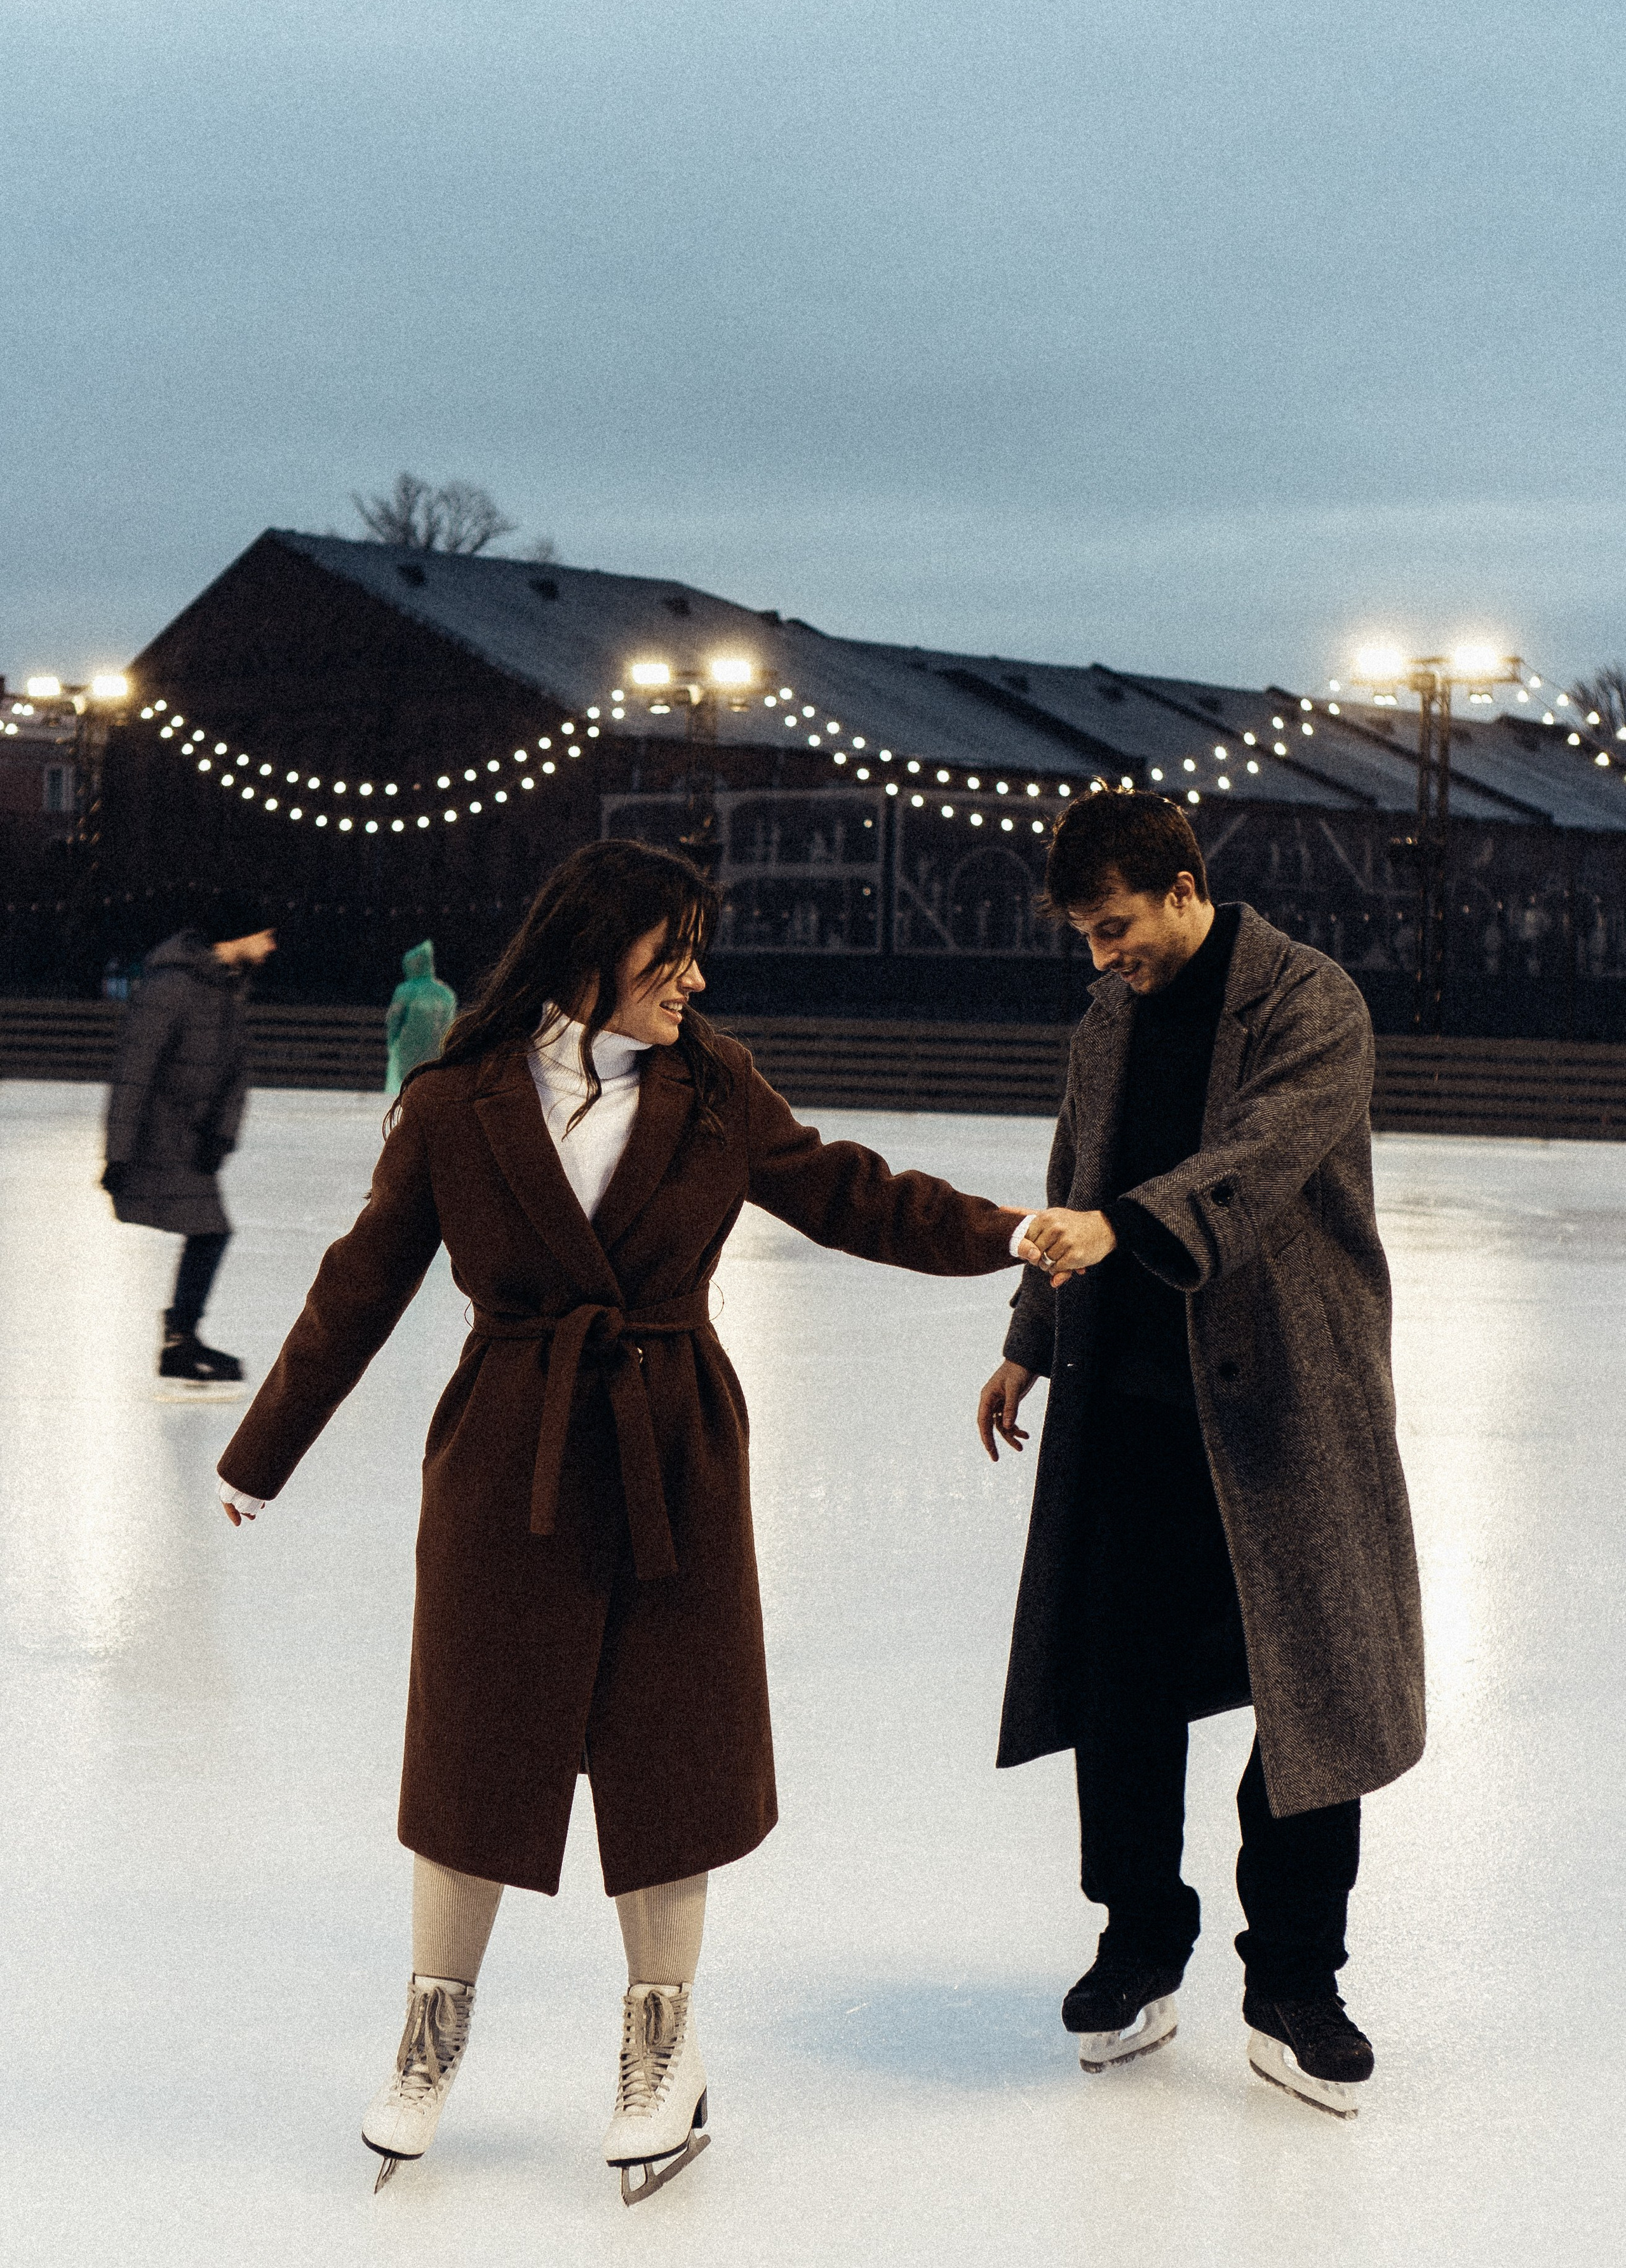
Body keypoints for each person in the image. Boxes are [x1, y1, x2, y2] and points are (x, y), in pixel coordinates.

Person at [214, 840, 1030, 2203]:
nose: (694, 982)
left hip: (672, 1447)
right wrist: (262, 1454)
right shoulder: (454, 1102)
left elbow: (847, 1193)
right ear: (587, 960)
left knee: (671, 1754)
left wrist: (1008, 1233)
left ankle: (663, 2046)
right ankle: (430, 2035)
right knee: (473, 1749)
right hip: (505, 1449)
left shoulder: (714, 1086)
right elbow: (359, 1284)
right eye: (671, 959)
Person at [978, 791, 1424, 2119]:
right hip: (1126, 1401)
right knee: (1121, 1690)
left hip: (1284, 1400)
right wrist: (1029, 1337)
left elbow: (1265, 1156)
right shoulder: (1108, 1013)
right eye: (1082, 936)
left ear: (1183, 885)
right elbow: (1073, 1165)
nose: (1101, 957)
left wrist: (1122, 1229)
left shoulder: (1307, 1000)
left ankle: (1294, 1978)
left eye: (1113, 927)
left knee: (1307, 1700)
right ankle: (1135, 1941)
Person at [102, 894, 278, 1395]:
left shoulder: (227, 988)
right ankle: (180, 1340)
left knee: (211, 1233)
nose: (271, 944)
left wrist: (223, 1134)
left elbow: (237, 1073)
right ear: (238, 933)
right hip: (160, 1136)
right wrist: (118, 1152)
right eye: (264, 933)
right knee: (211, 1232)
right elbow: (134, 1073)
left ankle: (181, 1340)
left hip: (193, 1140)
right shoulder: (172, 987)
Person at [384, 940, 457, 1095]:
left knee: (407, 1088)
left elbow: (394, 1021)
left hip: (409, 1050)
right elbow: (451, 1025)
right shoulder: (446, 993)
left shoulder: (405, 991)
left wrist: (392, 1042)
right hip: (437, 1051)